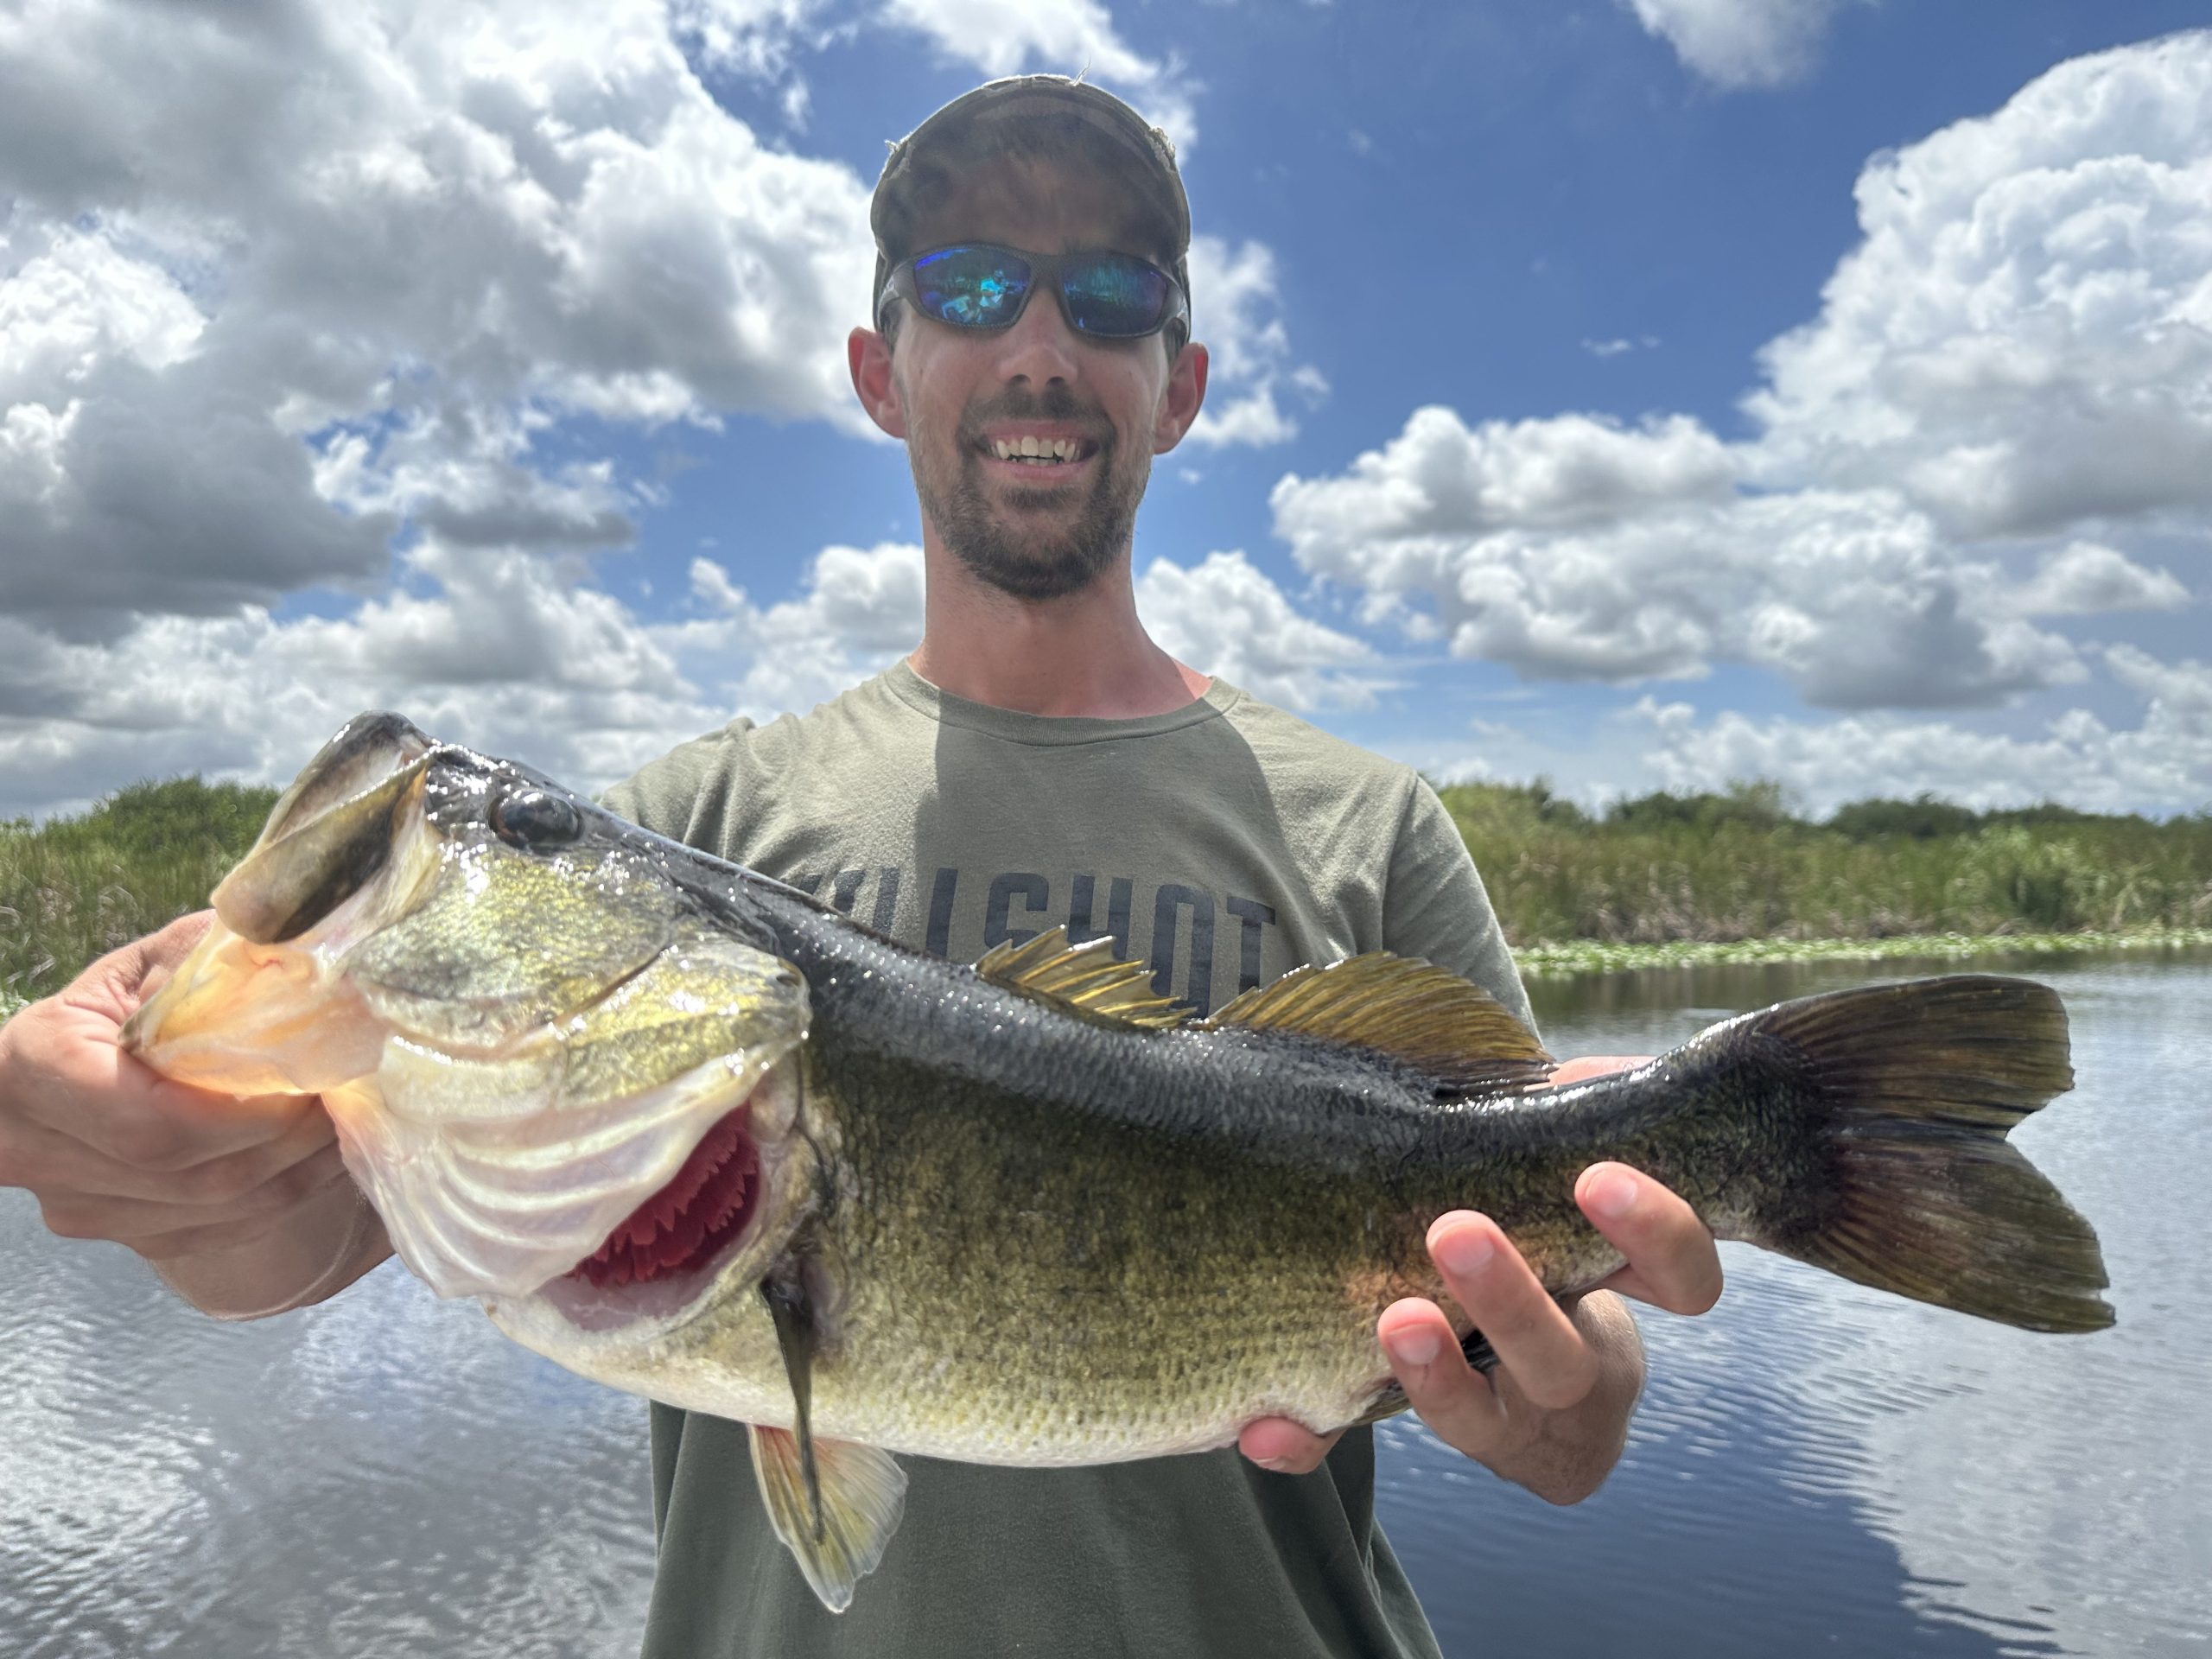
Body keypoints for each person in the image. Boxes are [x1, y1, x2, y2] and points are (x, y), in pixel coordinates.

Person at [0, 76, 1724, 1659]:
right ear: (876, 368)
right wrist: (168, 1153)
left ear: (1179, 386)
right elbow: (293, 1230)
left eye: (1110, 295)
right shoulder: (694, 818)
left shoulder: (1368, 825)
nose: (1039, 343)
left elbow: (1570, 1404)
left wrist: (1559, 1401)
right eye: (969, 286)